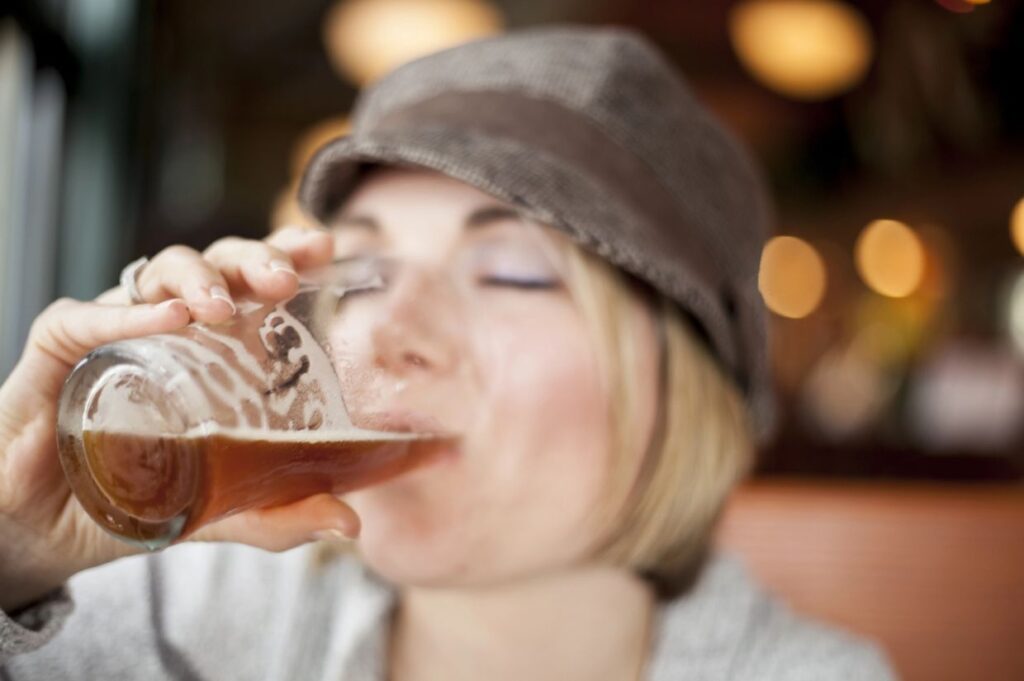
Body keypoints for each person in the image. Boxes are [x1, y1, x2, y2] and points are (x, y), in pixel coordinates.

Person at [0, 25, 897, 680]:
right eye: (361, 268)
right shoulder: (178, 616)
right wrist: (12, 543)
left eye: (509, 271)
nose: (386, 331)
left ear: (684, 387)